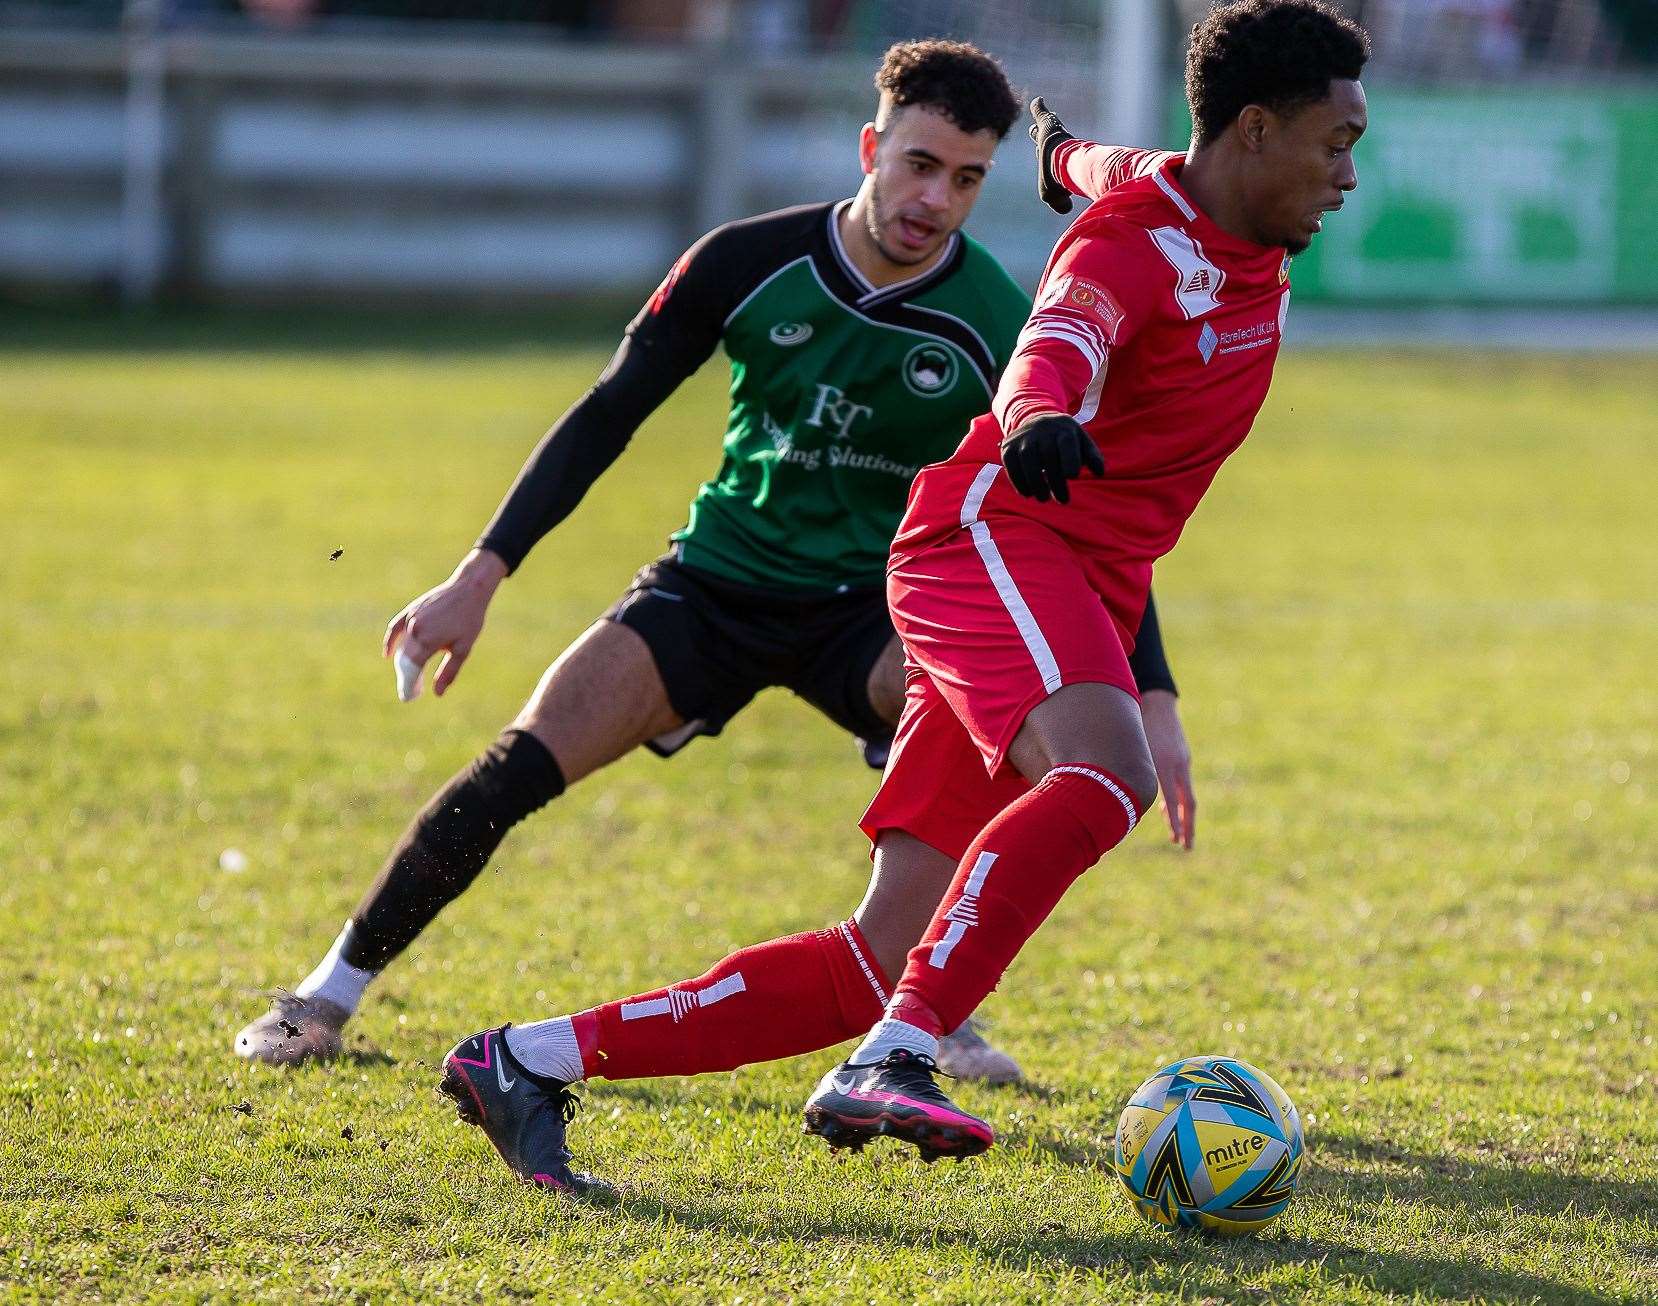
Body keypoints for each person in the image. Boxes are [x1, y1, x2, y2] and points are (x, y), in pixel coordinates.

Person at [434, 0, 1367, 1195]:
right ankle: (898, 1055)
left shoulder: (1185, 192)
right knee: (1103, 774)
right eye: (1332, 142)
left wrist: (1060, 157)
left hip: (1062, 584)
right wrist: (1033, 417)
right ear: (1252, 130)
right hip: (990, 543)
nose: (1345, 174)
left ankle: (521, 1059)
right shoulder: (1135, 245)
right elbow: (1060, 337)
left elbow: (1106, 167)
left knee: (876, 955)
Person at [234, 39, 1198, 1085]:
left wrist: (1148, 692)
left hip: (877, 607)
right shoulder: (746, 260)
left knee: (987, 743)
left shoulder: (988, 323)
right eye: (918, 164)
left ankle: (927, 1005)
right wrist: (480, 574)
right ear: (871, 146)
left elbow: (1083, 510)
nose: (934, 198)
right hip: (716, 580)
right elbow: (610, 412)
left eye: (965, 179)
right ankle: (324, 992)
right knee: (520, 763)